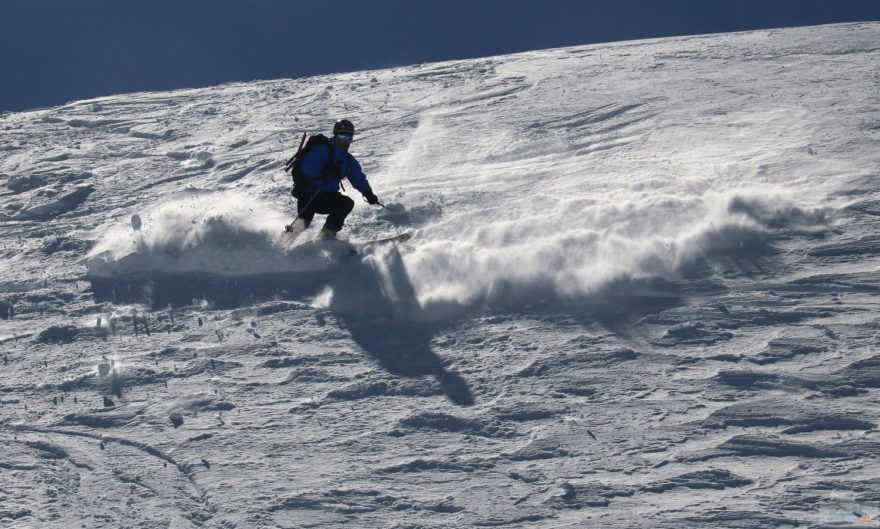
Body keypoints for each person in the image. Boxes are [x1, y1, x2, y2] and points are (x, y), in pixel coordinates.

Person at [294, 119, 379, 238]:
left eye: (349, 138)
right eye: (343, 137)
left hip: (328, 197)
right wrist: (323, 172)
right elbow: (307, 167)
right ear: (336, 136)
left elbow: (358, 178)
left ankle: (326, 237)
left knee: (346, 203)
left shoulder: (347, 159)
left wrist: (368, 193)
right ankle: (282, 243)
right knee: (302, 223)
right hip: (309, 195)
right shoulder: (322, 149)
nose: (346, 142)